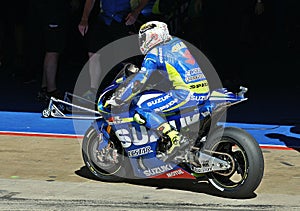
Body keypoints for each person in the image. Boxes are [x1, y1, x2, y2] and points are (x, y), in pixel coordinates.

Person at [107, 21, 210, 162]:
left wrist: (120, 98)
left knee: (143, 108)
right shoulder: (177, 43)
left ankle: (174, 138)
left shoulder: (153, 54)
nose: (141, 42)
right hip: (203, 89)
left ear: (152, 36)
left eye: (143, 38)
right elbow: (174, 72)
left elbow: (139, 81)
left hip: (184, 94)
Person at [78, 0, 150, 102]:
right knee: (93, 53)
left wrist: (136, 12)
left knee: (125, 57)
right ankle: (93, 91)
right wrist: (84, 19)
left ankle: (127, 92)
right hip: (104, 18)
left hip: (124, 18)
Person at [24, 0, 71, 101]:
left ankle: (45, 88)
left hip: (49, 10)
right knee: (53, 49)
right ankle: (51, 90)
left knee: (51, 49)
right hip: (52, 10)